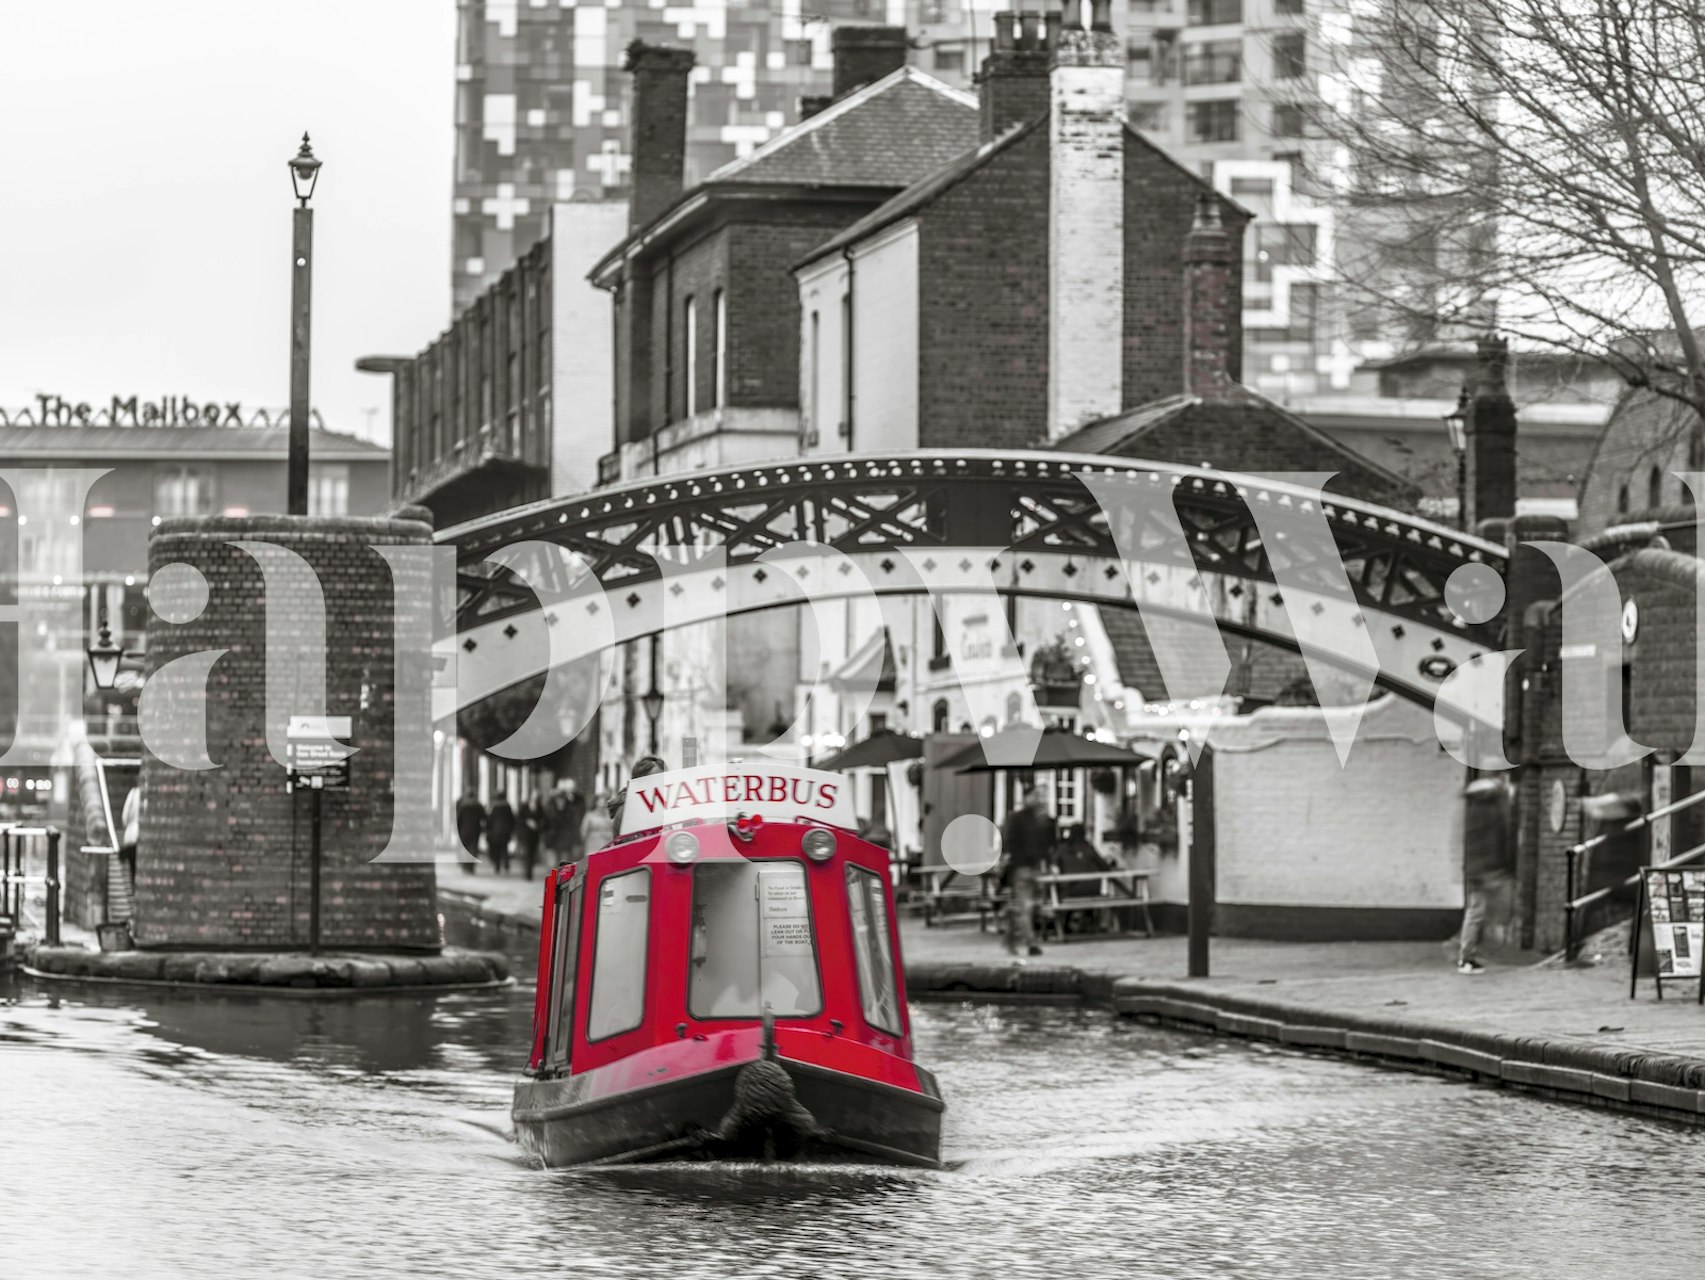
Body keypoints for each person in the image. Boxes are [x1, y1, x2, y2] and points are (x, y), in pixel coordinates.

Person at [1458, 777, 1513, 974]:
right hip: (1486, 870)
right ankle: (1467, 957)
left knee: (1477, 911)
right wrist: (1496, 867)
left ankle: (1468, 956)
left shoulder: (1476, 811)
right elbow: (1492, 842)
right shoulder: (1487, 812)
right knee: (1480, 910)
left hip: (1479, 869)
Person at [999, 785, 1056, 960]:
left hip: (1036, 867)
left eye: (1039, 796)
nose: (1038, 799)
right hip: (1021, 867)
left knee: (1029, 907)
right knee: (1026, 906)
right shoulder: (1016, 818)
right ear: (1025, 798)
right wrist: (1009, 861)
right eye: (1034, 795)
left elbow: (1048, 843)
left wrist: (1050, 863)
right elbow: (1008, 842)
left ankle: (1009, 938)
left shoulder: (1042, 820)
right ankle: (1032, 944)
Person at [608, 755, 667, 837]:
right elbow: (636, 844)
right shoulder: (628, 809)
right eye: (656, 780)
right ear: (640, 782)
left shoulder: (659, 804)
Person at [543, 778, 586, 865]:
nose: (560, 801)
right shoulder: (549, 808)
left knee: (563, 866)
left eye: (562, 799)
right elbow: (544, 824)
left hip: (565, 842)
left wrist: (576, 840)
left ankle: (560, 878)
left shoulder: (572, 808)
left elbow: (575, 824)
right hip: (551, 840)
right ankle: (553, 879)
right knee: (552, 866)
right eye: (558, 799)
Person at [454, 785, 486, 871]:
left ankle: (465, 865)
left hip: (464, 830)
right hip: (475, 830)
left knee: (465, 848)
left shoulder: (463, 805)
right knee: (473, 848)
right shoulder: (478, 805)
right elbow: (484, 817)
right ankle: (471, 866)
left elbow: (459, 818)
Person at [485, 791, 515, 875]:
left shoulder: (494, 806)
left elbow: (490, 819)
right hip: (506, 831)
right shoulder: (507, 806)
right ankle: (506, 865)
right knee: (504, 848)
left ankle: (497, 867)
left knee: (497, 849)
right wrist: (511, 829)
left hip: (496, 831)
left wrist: (488, 829)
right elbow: (512, 819)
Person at [119, 783, 141, 892]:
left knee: (132, 869)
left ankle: (134, 891)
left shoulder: (133, 794)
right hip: (140, 838)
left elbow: (124, 817)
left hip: (130, 837)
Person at [517, 793, 544, 881]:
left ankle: (529, 870)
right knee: (527, 853)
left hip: (535, 835)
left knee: (532, 853)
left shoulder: (540, 808)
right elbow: (519, 820)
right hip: (525, 834)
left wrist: (538, 826)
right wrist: (527, 822)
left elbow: (544, 820)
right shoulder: (524, 808)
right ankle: (528, 873)